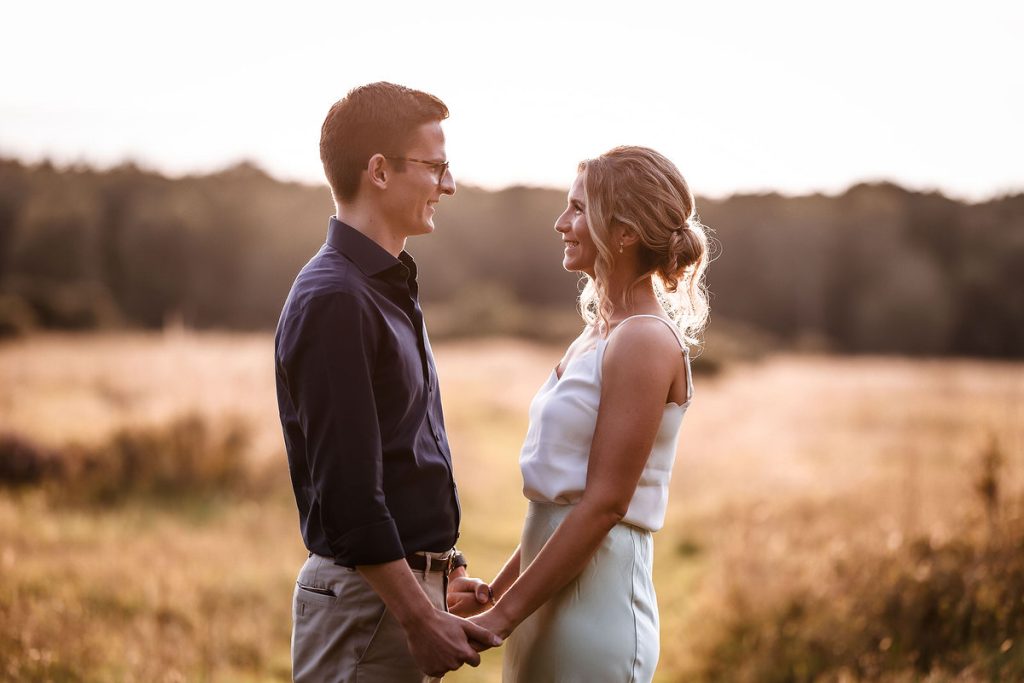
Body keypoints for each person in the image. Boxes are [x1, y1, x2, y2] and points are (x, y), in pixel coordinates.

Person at [448, 146, 710, 682]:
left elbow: (604, 504)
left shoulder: (644, 340)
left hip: (596, 610)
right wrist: (498, 595)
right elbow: (559, 502)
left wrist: (504, 614)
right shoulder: (597, 334)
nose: (560, 222)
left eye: (576, 209)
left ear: (624, 232)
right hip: (542, 603)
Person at [274, 82, 500, 682]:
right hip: (369, 608)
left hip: (395, 597)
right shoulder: (336, 298)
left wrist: (439, 578)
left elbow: (399, 455)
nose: (448, 185)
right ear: (378, 170)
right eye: (436, 166)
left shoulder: (384, 285)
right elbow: (348, 496)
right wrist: (415, 615)